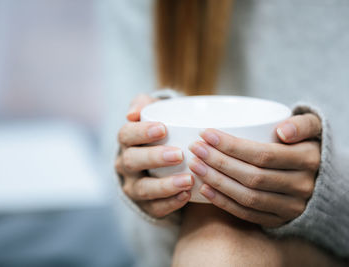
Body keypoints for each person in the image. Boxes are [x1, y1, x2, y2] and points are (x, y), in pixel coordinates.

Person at [115, 0, 349, 266]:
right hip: (189, 247)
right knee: (219, 243)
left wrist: (332, 194)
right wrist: (149, 175)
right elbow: (131, 228)